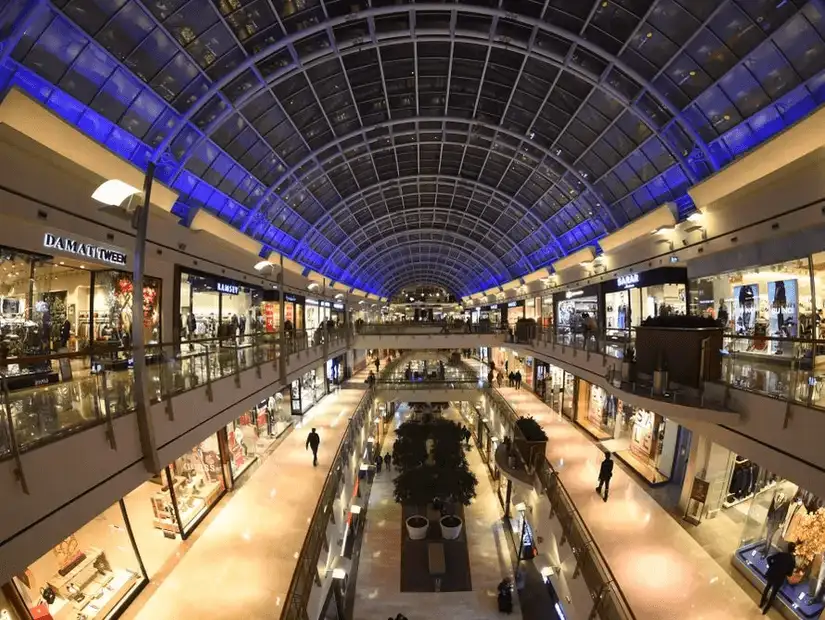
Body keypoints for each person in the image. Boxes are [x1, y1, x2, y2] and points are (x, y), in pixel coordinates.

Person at [760, 543, 797, 614]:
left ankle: (761, 603)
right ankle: (765, 610)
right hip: (779, 579)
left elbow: (768, 558)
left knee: (767, 587)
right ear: (793, 550)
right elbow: (789, 574)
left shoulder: (780, 554)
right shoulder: (792, 561)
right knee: (773, 594)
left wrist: (771, 566)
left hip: (772, 574)